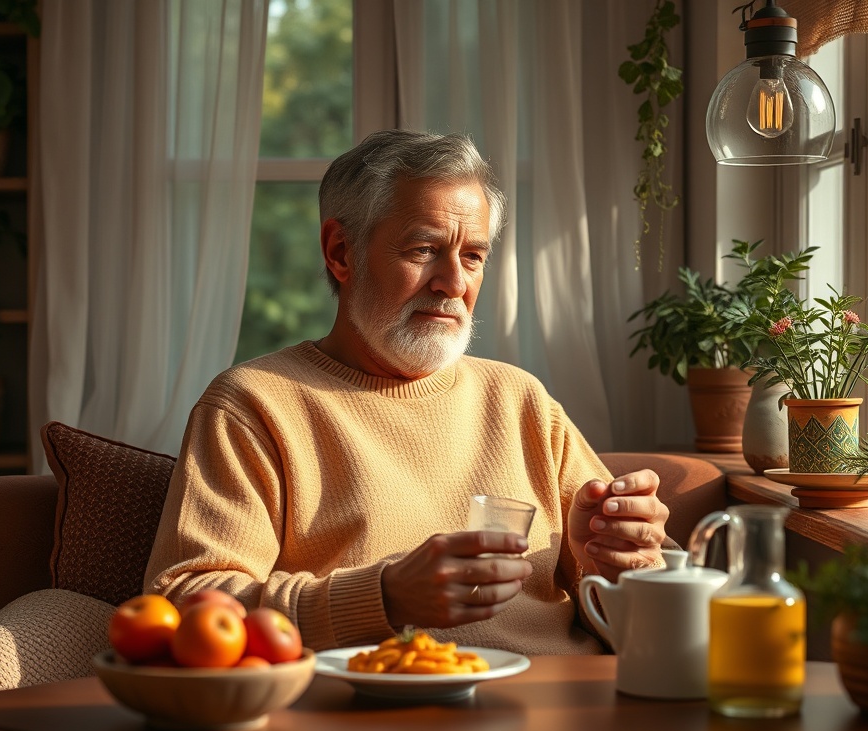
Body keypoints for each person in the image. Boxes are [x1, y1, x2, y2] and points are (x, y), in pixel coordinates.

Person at [143, 129, 672, 656]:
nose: (453, 283)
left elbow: (655, 613)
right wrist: (382, 597)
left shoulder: (521, 399)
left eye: (473, 256)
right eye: (424, 250)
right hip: (370, 702)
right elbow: (186, 602)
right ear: (341, 252)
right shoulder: (253, 405)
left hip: (560, 696)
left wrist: (615, 563)